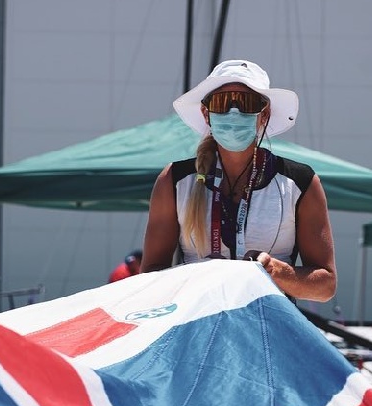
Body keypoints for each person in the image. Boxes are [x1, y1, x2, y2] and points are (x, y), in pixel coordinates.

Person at [141, 59, 336, 302]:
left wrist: (275, 271)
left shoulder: (300, 182)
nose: (234, 112)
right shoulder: (174, 180)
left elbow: (325, 285)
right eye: (222, 103)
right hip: (197, 328)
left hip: (268, 331)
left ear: (264, 115)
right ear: (206, 113)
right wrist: (196, 277)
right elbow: (149, 276)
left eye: (246, 103)